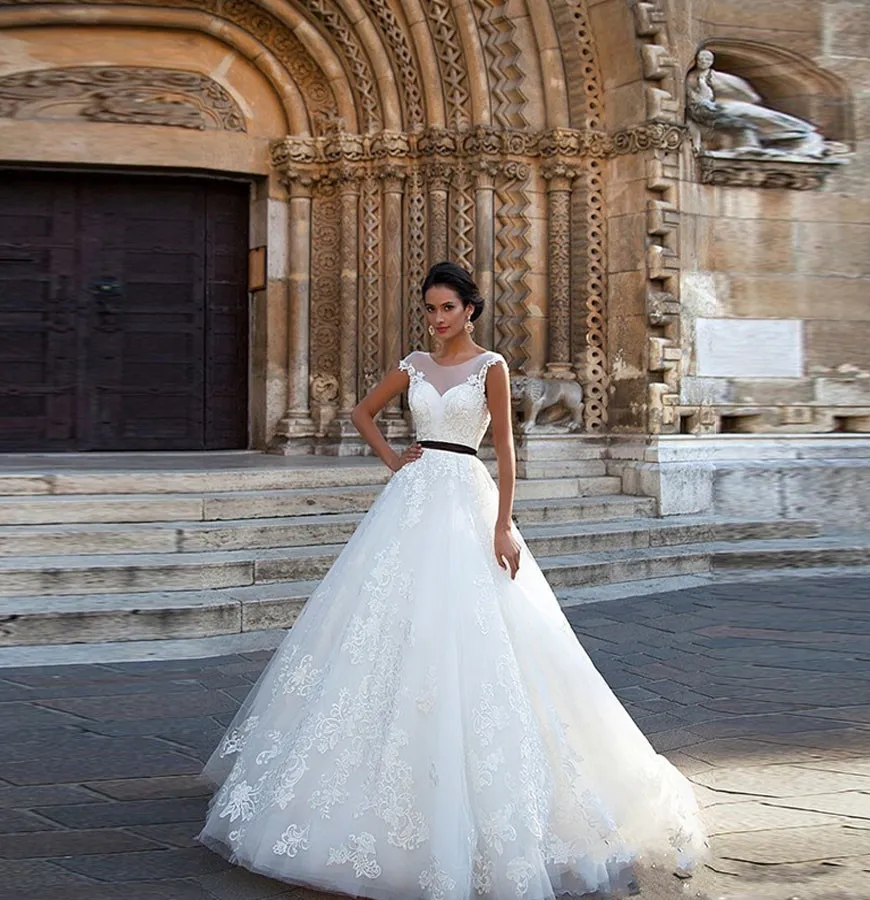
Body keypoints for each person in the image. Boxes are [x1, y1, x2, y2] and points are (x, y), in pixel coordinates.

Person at [198, 261, 707, 899]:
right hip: (412, 499)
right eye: (430, 309)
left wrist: (503, 526)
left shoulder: (490, 367)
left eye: (447, 308)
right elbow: (361, 413)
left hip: (467, 497)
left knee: (476, 631)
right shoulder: (412, 364)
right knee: (380, 628)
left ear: (471, 309)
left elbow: (506, 450)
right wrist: (393, 460)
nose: (437, 320)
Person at [686, 48, 826, 158]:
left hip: (728, 107)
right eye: (703, 59)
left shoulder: (715, 77)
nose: (705, 61)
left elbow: (750, 96)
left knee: (779, 123)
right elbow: (749, 96)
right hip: (718, 109)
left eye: (707, 59)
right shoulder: (696, 79)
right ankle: (803, 138)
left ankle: (801, 138)